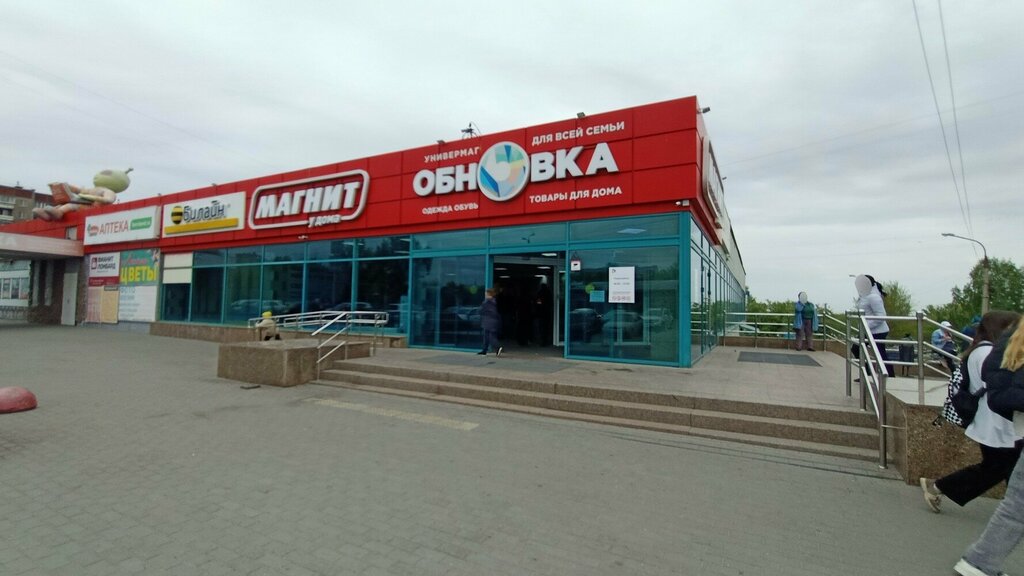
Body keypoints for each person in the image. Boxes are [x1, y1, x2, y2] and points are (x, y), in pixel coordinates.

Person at [919, 311, 1022, 514]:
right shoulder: (988, 353)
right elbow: (1000, 383)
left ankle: (938, 487)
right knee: (1001, 468)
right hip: (997, 422)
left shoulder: (979, 351)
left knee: (998, 468)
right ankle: (938, 486)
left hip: (991, 422)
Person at [952, 316, 1024, 576]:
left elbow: (997, 384)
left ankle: (979, 561)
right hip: (995, 427)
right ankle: (979, 561)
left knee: (1016, 503)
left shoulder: (1011, 338)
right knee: (1016, 503)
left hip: (1010, 424)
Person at [855, 274, 894, 377]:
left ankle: (890, 375)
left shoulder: (873, 297)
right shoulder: (865, 295)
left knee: (880, 354)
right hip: (867, 330)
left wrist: (866, 325)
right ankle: (866, 373)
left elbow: (881, 316)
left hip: (878, 331)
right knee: (857, 348)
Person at [478, 289, 503, 357]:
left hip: (488, 321)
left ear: (488, 294)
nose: (485, 295)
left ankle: (497, 347)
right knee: (489, 336)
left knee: (489, 337)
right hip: (494, 321)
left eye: (486, 294)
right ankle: (484, 350)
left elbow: (480, 310)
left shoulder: (486, 302)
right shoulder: (495, 302)